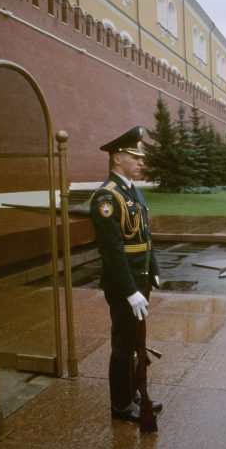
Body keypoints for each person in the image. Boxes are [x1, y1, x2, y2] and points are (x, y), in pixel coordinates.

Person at [90, 126, 162, 422]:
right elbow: (112, 250)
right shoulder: (106, 198)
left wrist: (154, 269)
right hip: (124, 284)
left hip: (140, 278)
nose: (140, 162)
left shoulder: (132, 191)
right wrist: (130, 290)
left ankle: (133, 392)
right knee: (123, 344)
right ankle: (120, 405)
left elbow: (145, 236)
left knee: (135, 341)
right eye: (135, 156)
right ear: (118, 158)